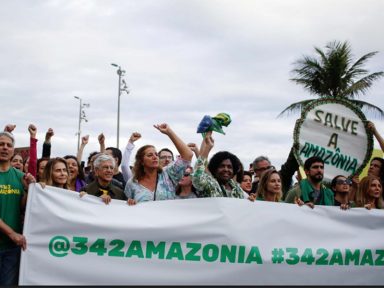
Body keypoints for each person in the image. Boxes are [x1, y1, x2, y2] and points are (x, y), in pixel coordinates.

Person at [125, 123, 193, 204]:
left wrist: (169, 132)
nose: (155, 157)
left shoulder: (168, 174)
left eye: (156, 154)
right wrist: (130, 202)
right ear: (141, 161)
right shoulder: (132, 183)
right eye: (150, 155)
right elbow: (128, 207)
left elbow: (188, 155)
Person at [0, 131, 35, 286]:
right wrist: (11, 233)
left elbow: (21, 207)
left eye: (8, 145)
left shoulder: (21, 176)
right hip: (12, 237)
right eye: (1, 144)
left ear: (13, 150)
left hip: (11, 248)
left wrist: (29, 190)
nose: (5, 148)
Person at [192, 131, 244, 199]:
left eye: (229, 167)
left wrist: (250, 201)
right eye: (222, 166)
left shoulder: (237, 189)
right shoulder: (209, 184)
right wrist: (207, 148)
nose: (226, 169)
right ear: (214, 169)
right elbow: (197, 179)